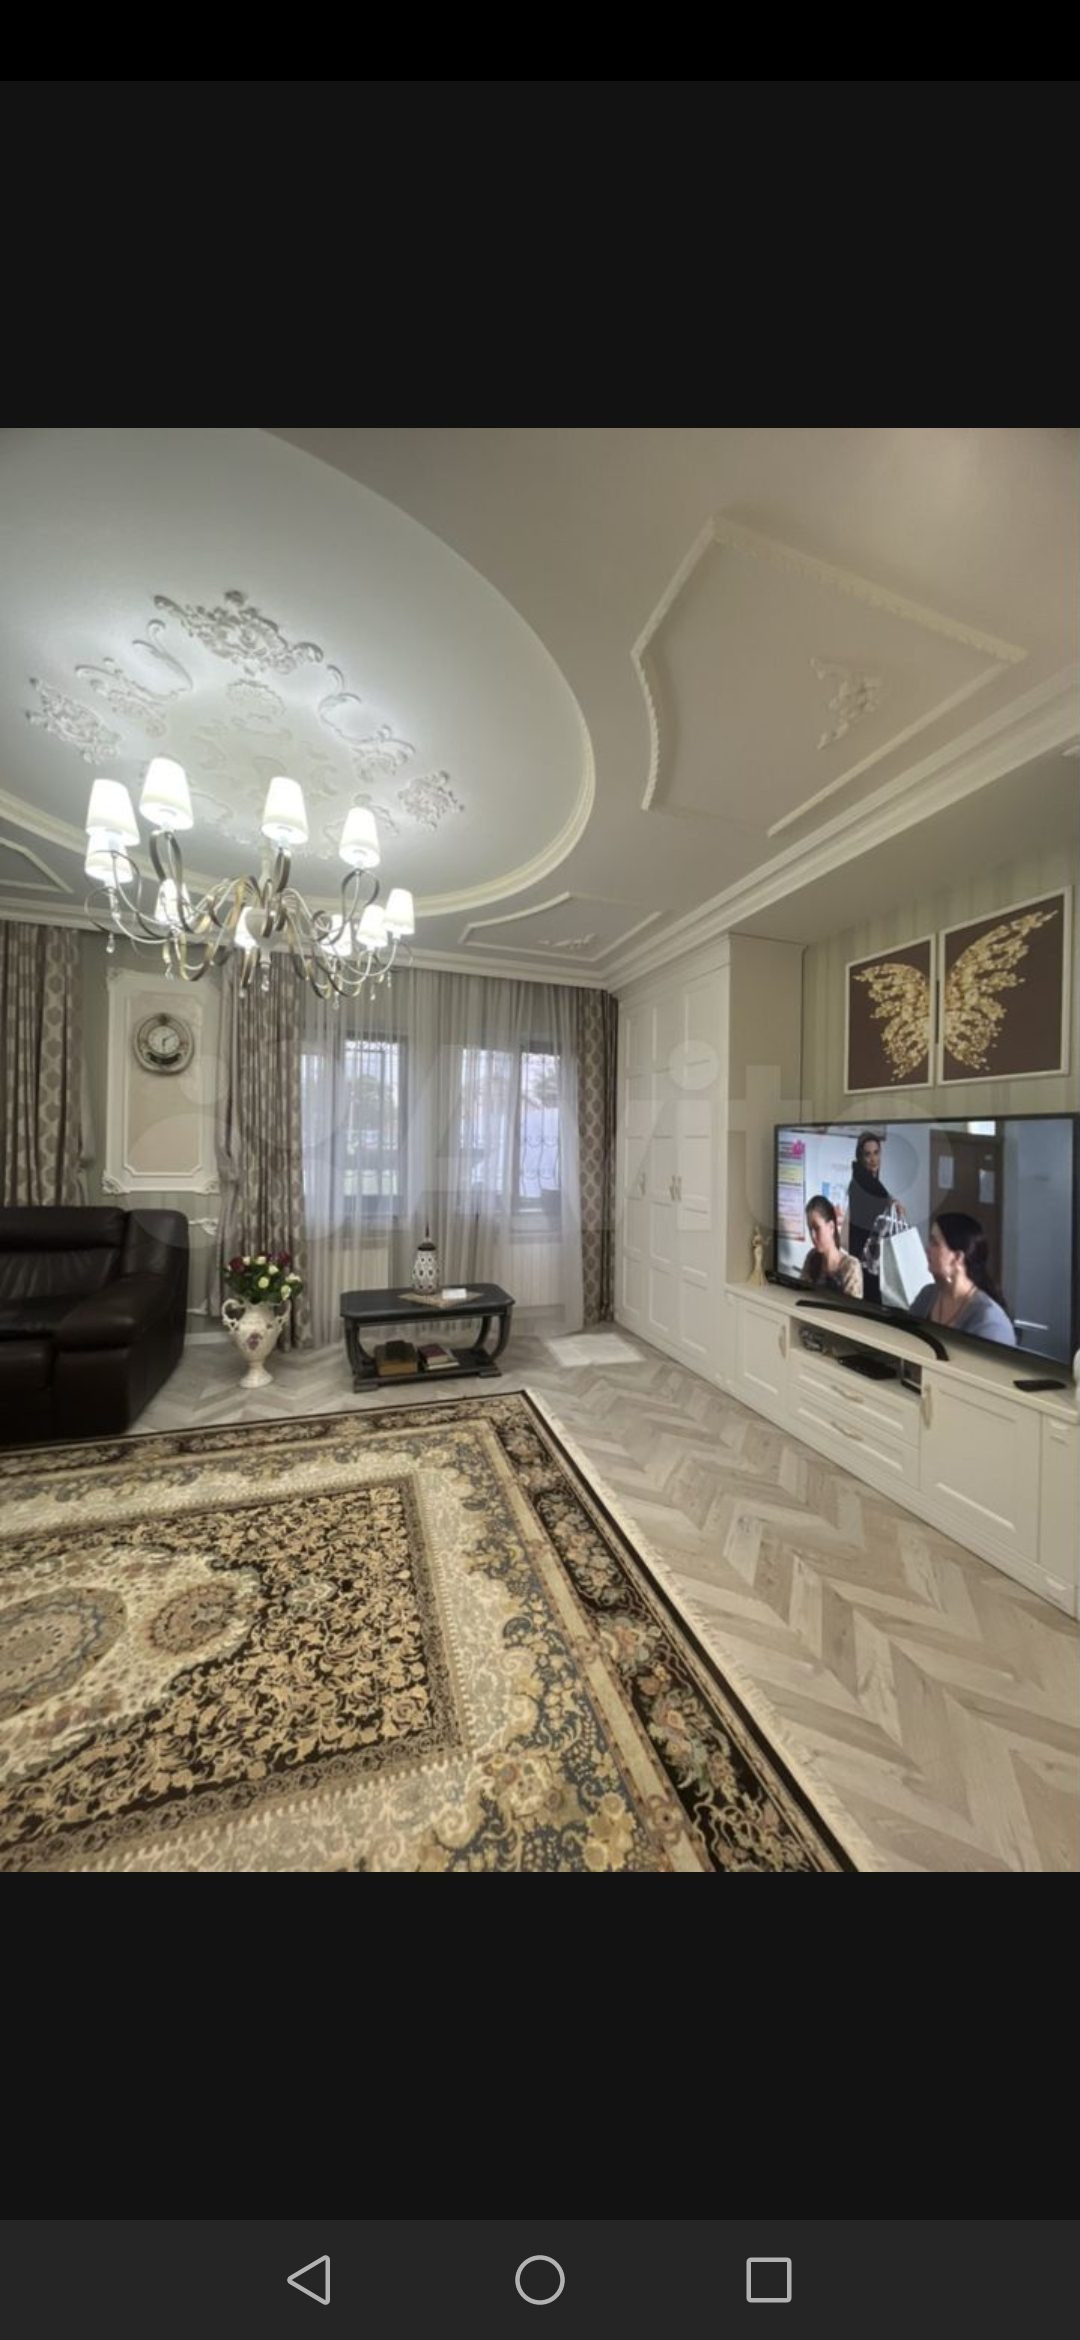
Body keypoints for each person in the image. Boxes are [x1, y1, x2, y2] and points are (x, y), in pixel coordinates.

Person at [909, 1211, 1017, 1347]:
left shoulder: (990, 1323)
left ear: (957, 1258)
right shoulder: (927, 1295)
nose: (927, 1249)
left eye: (935, 1243)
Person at [841, 1131, 908, 1309]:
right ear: (861, 1157)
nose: (873, 1159)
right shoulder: (863, 1181)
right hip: (866, 1262)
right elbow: (879, 1197)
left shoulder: (864, 1180)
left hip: (866, 1259)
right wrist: (891, 1202)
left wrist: (891, 1201)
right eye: (868, 1154)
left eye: (876, 1153)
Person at [799, 1195, 864, 1298]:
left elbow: (850, 1307)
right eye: (810, 1229)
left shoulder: (851, 1266)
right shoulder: (812, 1256)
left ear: (831, 1227)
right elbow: (800, 1294)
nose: (812, 1236)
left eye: (817, 1228)